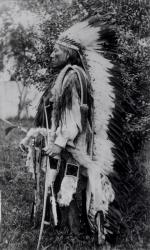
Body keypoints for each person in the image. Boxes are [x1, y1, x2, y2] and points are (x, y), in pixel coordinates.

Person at [22, 16, 121, 243]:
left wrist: (58, 143)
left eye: (55, 51)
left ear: (67, 52)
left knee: (72, 183)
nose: (51, 55)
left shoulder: (72, 78)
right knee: (72, 183)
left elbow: (73, 117)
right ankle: (72, 230)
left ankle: (74, 234)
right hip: (75, 143)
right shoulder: (72, 74)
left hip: (74, 144)